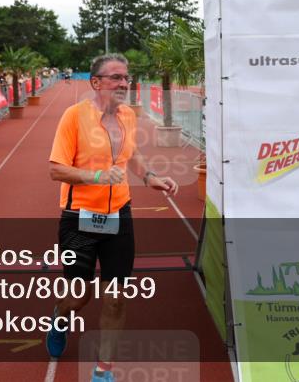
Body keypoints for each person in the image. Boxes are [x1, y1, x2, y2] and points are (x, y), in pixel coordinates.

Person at [45, 53, 178, 382]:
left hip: (119, 214)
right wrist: (96, 178)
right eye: (116, 77)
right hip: (79, 217)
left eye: (126, 77)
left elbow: (131, 153)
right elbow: (55, 169)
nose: (123, 83)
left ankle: (103, 370)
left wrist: (149, 177)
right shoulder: (74, 116)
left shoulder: (128, 116)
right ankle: (60, 319)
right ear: (96, 82)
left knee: (116, 297)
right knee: (80, 295)